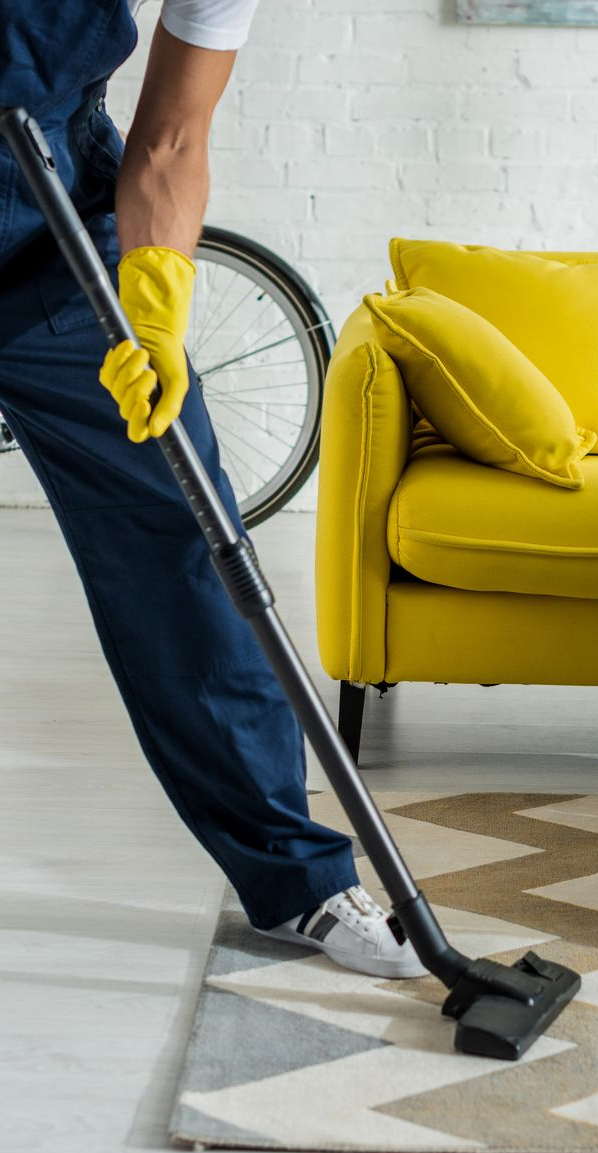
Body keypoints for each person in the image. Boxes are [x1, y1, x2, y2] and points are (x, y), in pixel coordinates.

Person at [0, 0, 424, 977]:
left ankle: (300, 886)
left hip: (48, 231)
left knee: (184, 538)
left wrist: (155, 295)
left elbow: (175, 133)